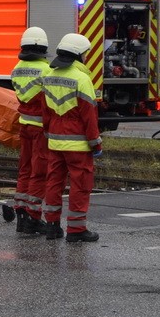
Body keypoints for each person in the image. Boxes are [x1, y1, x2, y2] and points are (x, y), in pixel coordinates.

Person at [41, 33, 102, 243]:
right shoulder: (81, 78)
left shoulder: (48, 74)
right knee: (80, 185)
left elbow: (46, 111)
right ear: (79, 56)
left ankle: (51, 226)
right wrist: (95, 142)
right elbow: (89, 116)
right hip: (78, 145)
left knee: (53, 183)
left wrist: (48, 134)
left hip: (55, 142)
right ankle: (76, 230)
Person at [10, 26, 52, 235]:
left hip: (24, 125)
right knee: (39, 173)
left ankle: (21, 214)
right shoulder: (46, 71)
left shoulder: (17, 68)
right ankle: (33, 218)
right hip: (41, 130)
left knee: (25, 170)